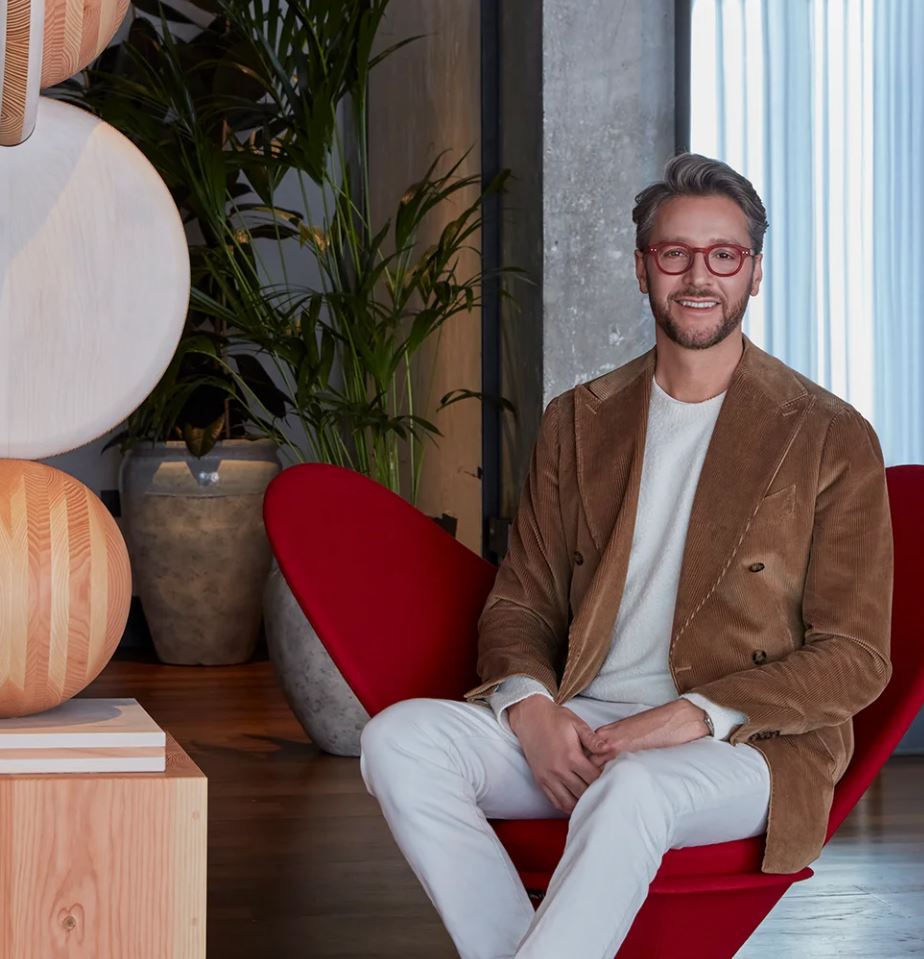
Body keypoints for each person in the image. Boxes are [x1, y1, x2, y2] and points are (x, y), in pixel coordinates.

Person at [359, 153, 893, 959]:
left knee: (634, 788)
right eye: (675, 253)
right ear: (642, 268)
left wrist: (697, 714)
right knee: (397, 741)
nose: (698, 276)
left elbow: (855, 657)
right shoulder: (581, 419)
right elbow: (521, 602)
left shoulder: (826, 434)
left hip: (748, 742)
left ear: (755, 273)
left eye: (724, 255)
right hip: (587, 717)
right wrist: (530, 709)